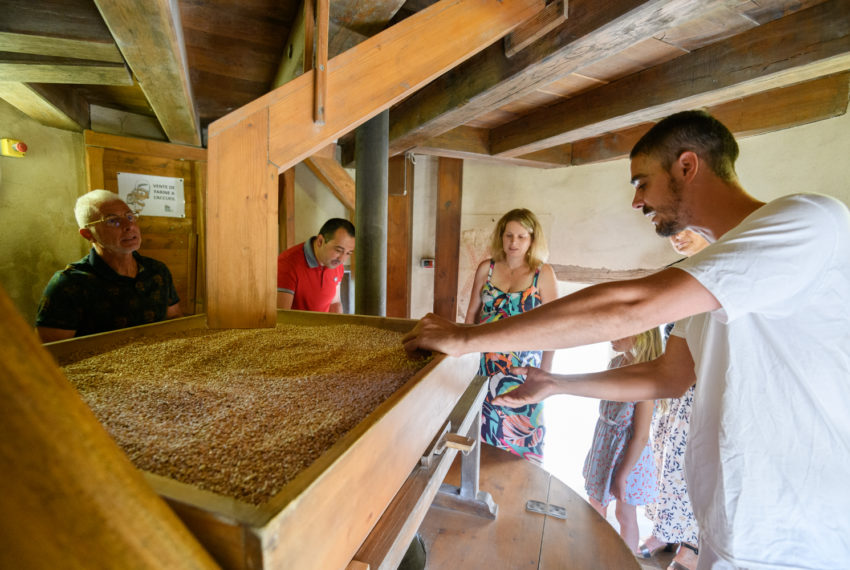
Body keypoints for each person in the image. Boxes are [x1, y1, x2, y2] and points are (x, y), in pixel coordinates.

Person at [403, 110, 850, 568]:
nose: (636, 201)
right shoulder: (716, 276)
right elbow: (667, 375)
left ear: (687, 166)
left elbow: (629, 308)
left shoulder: (810, 220)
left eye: (641, 182)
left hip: (799, 532)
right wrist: (559, 384)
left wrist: (466, 337)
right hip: (732, 523)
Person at [464, 209, 558, 464]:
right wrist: (465, 362)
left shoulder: (543, 273)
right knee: (481, 433)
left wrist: (546, 375)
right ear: (501, 237)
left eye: (521, 237)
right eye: (508, 236)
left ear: (532, 240)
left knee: (520, 435)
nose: (513, 243)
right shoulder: (487, 269)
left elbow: (555, 328)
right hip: (484, 368)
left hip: (523, 370)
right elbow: (471, 315)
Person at [640, 229, 709, 570]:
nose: (678, 236)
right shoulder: (679, 271)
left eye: (688, 227)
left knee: (690, 469)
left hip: (702, 391)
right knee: (665, 460)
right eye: (673, 230)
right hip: (676, 391)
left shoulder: (716, 272)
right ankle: (665, 531)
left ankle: (691, 546)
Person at [35, 189, 182, 343]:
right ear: (88, 234)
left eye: (130, 216)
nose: (129, 226)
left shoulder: (157, 271)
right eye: (112, 221)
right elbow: (50, 352)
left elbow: (175, 319)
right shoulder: (69, 284)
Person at [584, 329, 661, 554]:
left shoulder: (646, 377)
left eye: (621, 331)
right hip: (605, 446)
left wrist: (623, 473)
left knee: (625, 514)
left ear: (641, 335)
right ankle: (594, 555)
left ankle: (628, 561)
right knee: (595, 504)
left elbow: (641, 435)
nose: (612, 334)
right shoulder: (616, 363)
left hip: (629, 455)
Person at [276, 218, 355, 313]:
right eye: (338, 250)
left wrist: (339, 326)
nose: (342, 259)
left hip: (324, 327)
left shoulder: (336, 264)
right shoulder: (287, 264)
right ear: (320, 241)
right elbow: (282, 317)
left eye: (348, 253)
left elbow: (335, 302)